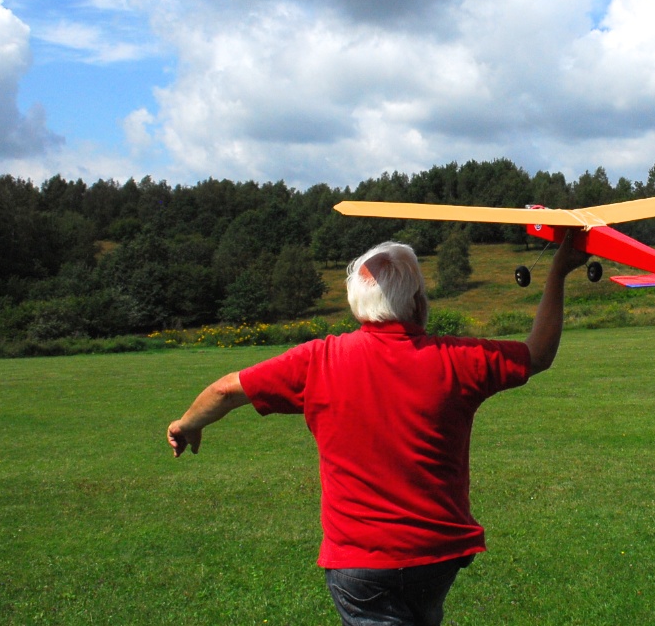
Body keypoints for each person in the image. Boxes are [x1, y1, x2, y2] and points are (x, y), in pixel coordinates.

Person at [167, 232, 588, 626]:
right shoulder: (458, 360)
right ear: (418, 304)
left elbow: (225, 391)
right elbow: (537, 354)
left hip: (358, 565)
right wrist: (557, 271)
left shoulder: (318, 360)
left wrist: (186, 425)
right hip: (438, 555)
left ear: (358, 308)